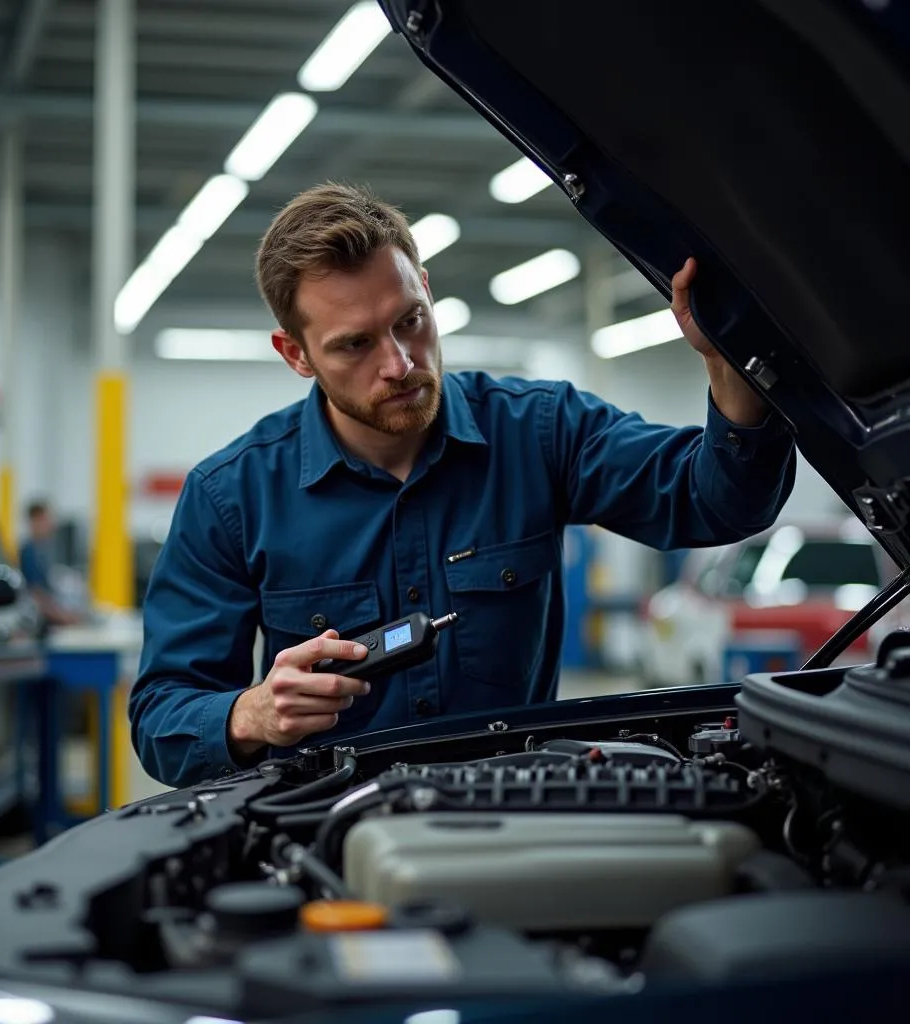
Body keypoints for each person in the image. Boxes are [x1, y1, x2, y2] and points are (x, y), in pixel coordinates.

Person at [130, 182, 796, 789]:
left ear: (424, 287)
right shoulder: (231, 496)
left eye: (410, 321)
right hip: (327, 836)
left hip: (519, 813)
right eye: (355, 345)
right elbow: (162, 715)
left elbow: (717, 500)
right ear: (295, 354)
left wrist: (730, 366)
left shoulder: (541, 431)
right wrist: (250, 714)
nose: (398, 363)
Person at [19, 499, 84, 628]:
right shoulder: (29, 554)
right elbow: (35, 593)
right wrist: (62, 616)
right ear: (35, 521)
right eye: (46, 520)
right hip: (39, 621)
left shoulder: (44, 551)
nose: (51, 524)